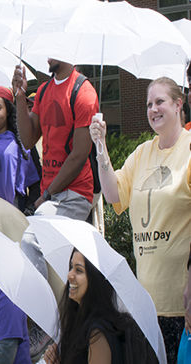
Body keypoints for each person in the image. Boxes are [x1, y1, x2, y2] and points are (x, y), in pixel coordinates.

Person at [89, 76, 191, 364]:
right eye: (148, 104)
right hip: (145, 304)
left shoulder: (189, 148)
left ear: (178, 104)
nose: (153, 109)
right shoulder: (142, 153)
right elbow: (112, 194)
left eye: (160, 101)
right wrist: (100, 146)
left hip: (182, 303)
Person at [12, 60, 98, 220]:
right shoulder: (44, 91)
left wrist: (46, 195)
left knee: (33, 239)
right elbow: (28, 140)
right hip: (50, 195)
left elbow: (79, 156)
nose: (48, 59)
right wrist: (20, 96)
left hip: (75, 194)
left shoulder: (84, 93)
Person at [43, 249, 157, 364]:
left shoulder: (97, 334)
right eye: (71, 267)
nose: (70, 275)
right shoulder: (79, 322)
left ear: (95, 280)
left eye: (79, 270)